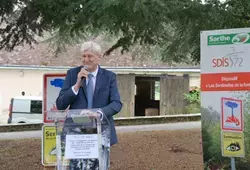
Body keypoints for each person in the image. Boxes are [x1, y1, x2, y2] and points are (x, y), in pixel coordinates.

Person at [56, 41, 122, 169]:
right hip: (76, 134)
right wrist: (76, 85)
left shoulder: (109, 77)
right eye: (83, 56)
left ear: (99, 57)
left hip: (101, 132)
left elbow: (116, 104)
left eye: (90, 56)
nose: (86, 60)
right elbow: (60, 104)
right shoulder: (72, 74)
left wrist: (99, 113)